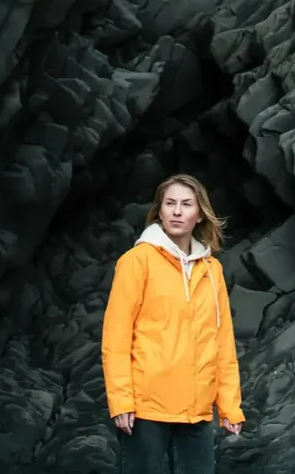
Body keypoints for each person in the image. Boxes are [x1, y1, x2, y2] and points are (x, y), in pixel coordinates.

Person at [101, 173, 246, 474]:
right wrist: (121, 401)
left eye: (186, 204)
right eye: (170, 204)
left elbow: (221, 341)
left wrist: (229, 405)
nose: (177, 211)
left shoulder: (212, 269)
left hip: (197, 411)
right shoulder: (137, 261)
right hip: (146, 408)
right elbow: (116, 337)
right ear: (160, 211)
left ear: (199, 214)